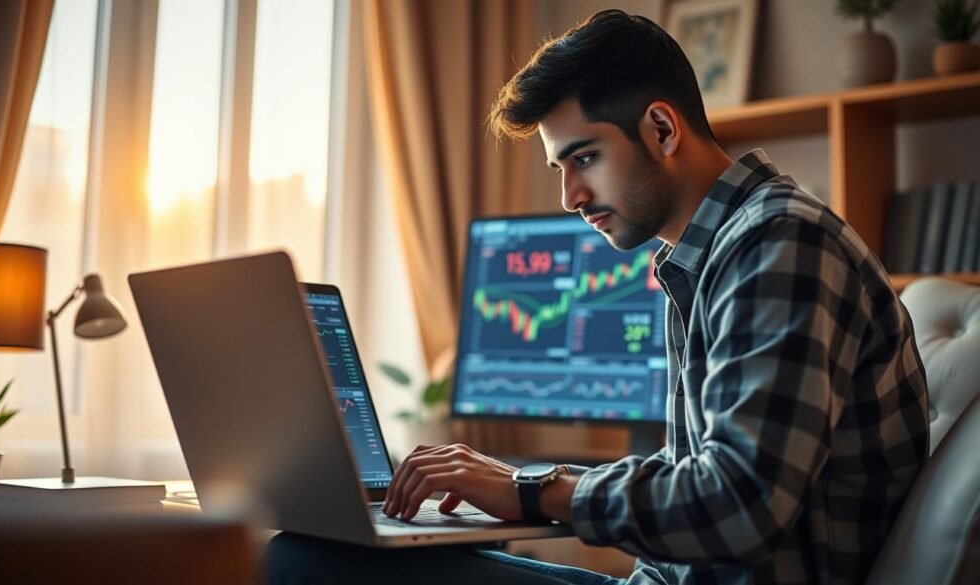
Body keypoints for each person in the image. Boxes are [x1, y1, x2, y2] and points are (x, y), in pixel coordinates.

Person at [265, 9, 929, 584]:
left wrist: (532, 490)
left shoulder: (780, 243)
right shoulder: (716, 254)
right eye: (561, 169)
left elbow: (740, 505)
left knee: (300, 566)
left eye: (583, 158)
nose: (570, 199)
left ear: (662, 129)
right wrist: (521, 486)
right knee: (315, 552)